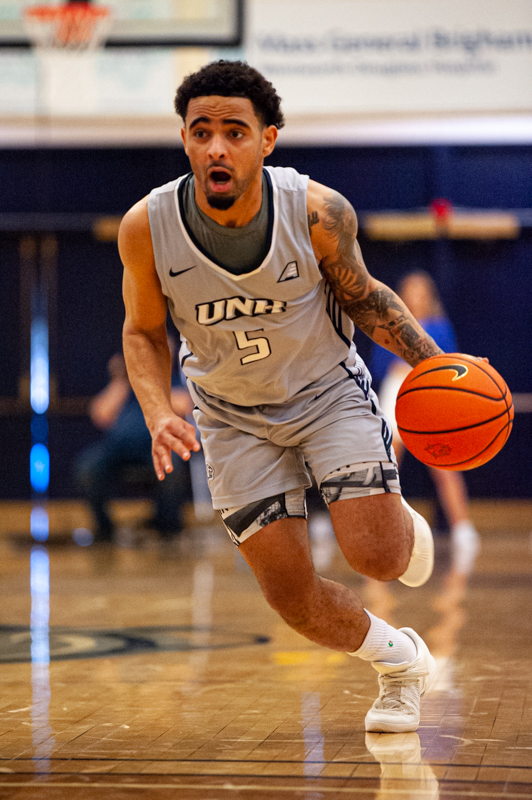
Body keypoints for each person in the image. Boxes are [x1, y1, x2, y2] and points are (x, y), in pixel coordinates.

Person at [117, 59, 473, 733]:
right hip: (229, 418)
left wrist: (440, 364)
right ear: (185, 138)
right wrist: (159, 412)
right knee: (291, 598)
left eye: (234, 132)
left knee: (379, 557)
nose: (216, 147)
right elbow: (142, 331)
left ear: (267, 139)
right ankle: (401, 662)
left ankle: (399, 528)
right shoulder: (145, 227)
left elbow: (366, 299)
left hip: (326, 393)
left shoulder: (316, 211)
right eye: (201, 131)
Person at [372, 271, 481, 575]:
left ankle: (462, 528)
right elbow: (378, 366)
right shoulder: (388, 324)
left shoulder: (439, 326)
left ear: (429, 296)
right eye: (411, 291)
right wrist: (399, 366)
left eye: (421, 292)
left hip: (429, 397)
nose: (415, 297)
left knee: (444, 466)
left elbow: (449, 364)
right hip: (395, 393)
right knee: (387, 466)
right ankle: (380, 528)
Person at [75, 345, 192, 543]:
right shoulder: (123, 383)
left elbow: (184, 405)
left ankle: (168, 529)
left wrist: (151, 383)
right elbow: (101, 414)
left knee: (171, 466)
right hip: (118, 449)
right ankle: (105, 529)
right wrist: (122, 379)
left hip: (156, 446)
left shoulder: (169, 380)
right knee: (87, 467)